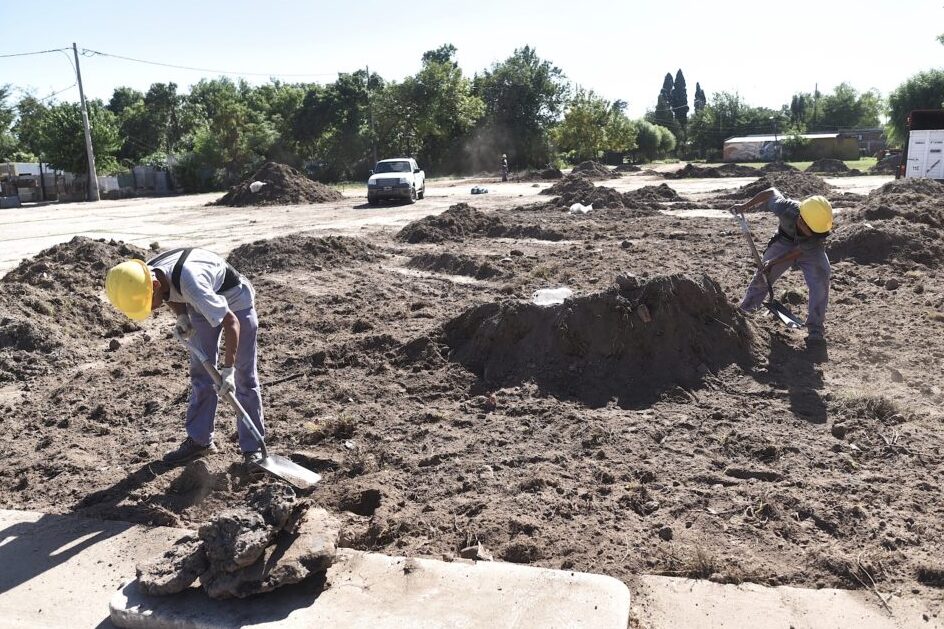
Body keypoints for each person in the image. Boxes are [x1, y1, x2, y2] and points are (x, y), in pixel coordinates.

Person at [104, 248, 265, 466]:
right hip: (200, 303)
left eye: (148, 304)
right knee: (202, 370)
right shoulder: (149, 274)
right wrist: (182, 315)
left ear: (155, 286)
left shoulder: (192, 284)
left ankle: (253, 449)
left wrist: (228, 371)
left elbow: (231, 322)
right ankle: (200, 441)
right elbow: (170, 291)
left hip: (235, 302)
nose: (150, 310)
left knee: (244, 376)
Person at [730, 188, 833, 343]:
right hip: (784, 241)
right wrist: (744, 206)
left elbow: (799, 251)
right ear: (800, 219)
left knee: (821, 278)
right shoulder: (785, 207)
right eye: (810, 230)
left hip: (810, 249)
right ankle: (745, 313)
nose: (814, 234)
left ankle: (815, 328)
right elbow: (771, 192)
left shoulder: (818, 232)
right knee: (763, 276)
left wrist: (774, 261)